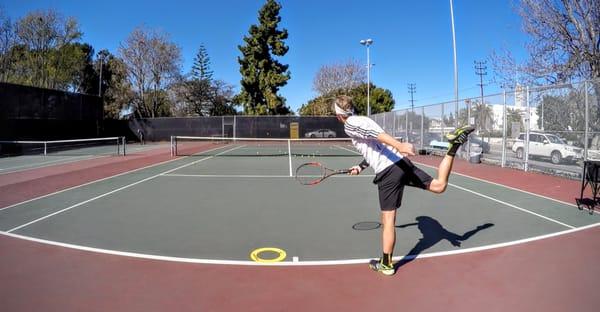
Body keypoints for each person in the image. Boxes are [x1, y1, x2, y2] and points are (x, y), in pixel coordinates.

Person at [333, 95, 474, 276]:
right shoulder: (361, 120)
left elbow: (374, 135)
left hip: (388, 171)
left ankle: (386, 264)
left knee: (388, 221)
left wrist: (399, 145)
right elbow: (374, 144)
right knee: (439, 186)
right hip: (400, 163)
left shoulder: (350, 124)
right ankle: (453, 147)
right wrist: (361, 166)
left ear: (339, 115)